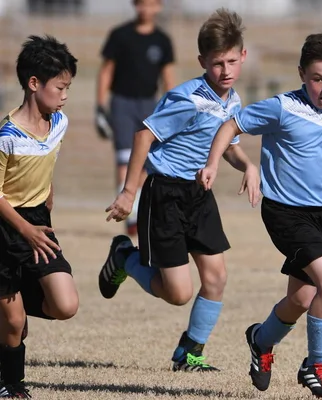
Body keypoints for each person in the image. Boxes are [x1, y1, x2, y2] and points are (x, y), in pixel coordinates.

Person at [199, 33, 322, 399]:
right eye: (317, 79)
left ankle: (261, 340)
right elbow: (231, 125)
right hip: (285, 213)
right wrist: (213, 163)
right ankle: (316, 366)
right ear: (302, 74)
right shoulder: (282, 108)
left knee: (302, 299)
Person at [98, 8, 260, 372]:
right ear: (203, 61)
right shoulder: (187, 98)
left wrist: (248, 165)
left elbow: (225, 143)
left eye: (232, 61)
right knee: (177, 293)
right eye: (217, 63)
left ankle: (189, 354)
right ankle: (125, 256)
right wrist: (129, 192)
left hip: (199, 194)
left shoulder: (232, 99)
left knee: (217, 277)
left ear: (243, 56)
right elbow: (144, 135)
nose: (226, 70)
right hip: (165, 194)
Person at [0, 35, 79, 398]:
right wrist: (25, 230)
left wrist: (47, 199)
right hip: (6, 225)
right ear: (34, 84)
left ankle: (10, 307)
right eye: (60, 87)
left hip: (37, 222)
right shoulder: (6, 135)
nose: (64, 95)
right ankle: (11, 385)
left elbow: (47, 164)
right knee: (15, 324)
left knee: (66, 304)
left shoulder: (59, 122)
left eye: (68, 87)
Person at [96, 0, 176, 236]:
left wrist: (173, 110)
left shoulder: (162, 40)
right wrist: (100, 106)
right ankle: (128, 217)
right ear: (135, 5)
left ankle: (137, 206)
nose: (146, 9)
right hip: (121, 103)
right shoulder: (120, 35)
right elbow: (106, 71)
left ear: (159, 6)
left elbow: (168, 78)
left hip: (150, 105)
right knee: (124, 158)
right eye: (141, 4)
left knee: (146, 162)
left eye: (151, 4)